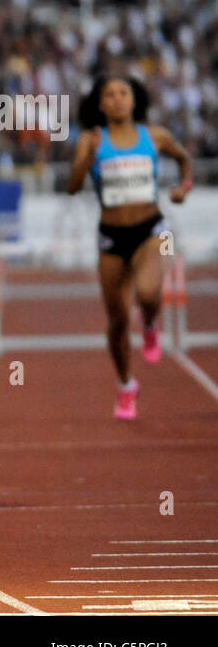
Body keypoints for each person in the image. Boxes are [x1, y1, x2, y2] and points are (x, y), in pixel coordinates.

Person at [66, 74, 192, 419]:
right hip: (110, 236)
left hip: (155, 231)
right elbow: (73, 187)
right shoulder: (92, 140)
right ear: (101, 104)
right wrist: (84, 159)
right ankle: (126, 384)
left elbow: (184, 159)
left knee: (149, 293)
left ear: (135, 100)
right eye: (110, 94)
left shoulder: (155, 136)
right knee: (118, 322)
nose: (118, 99)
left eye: (124, 93)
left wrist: (184, 187)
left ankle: (150, 324)